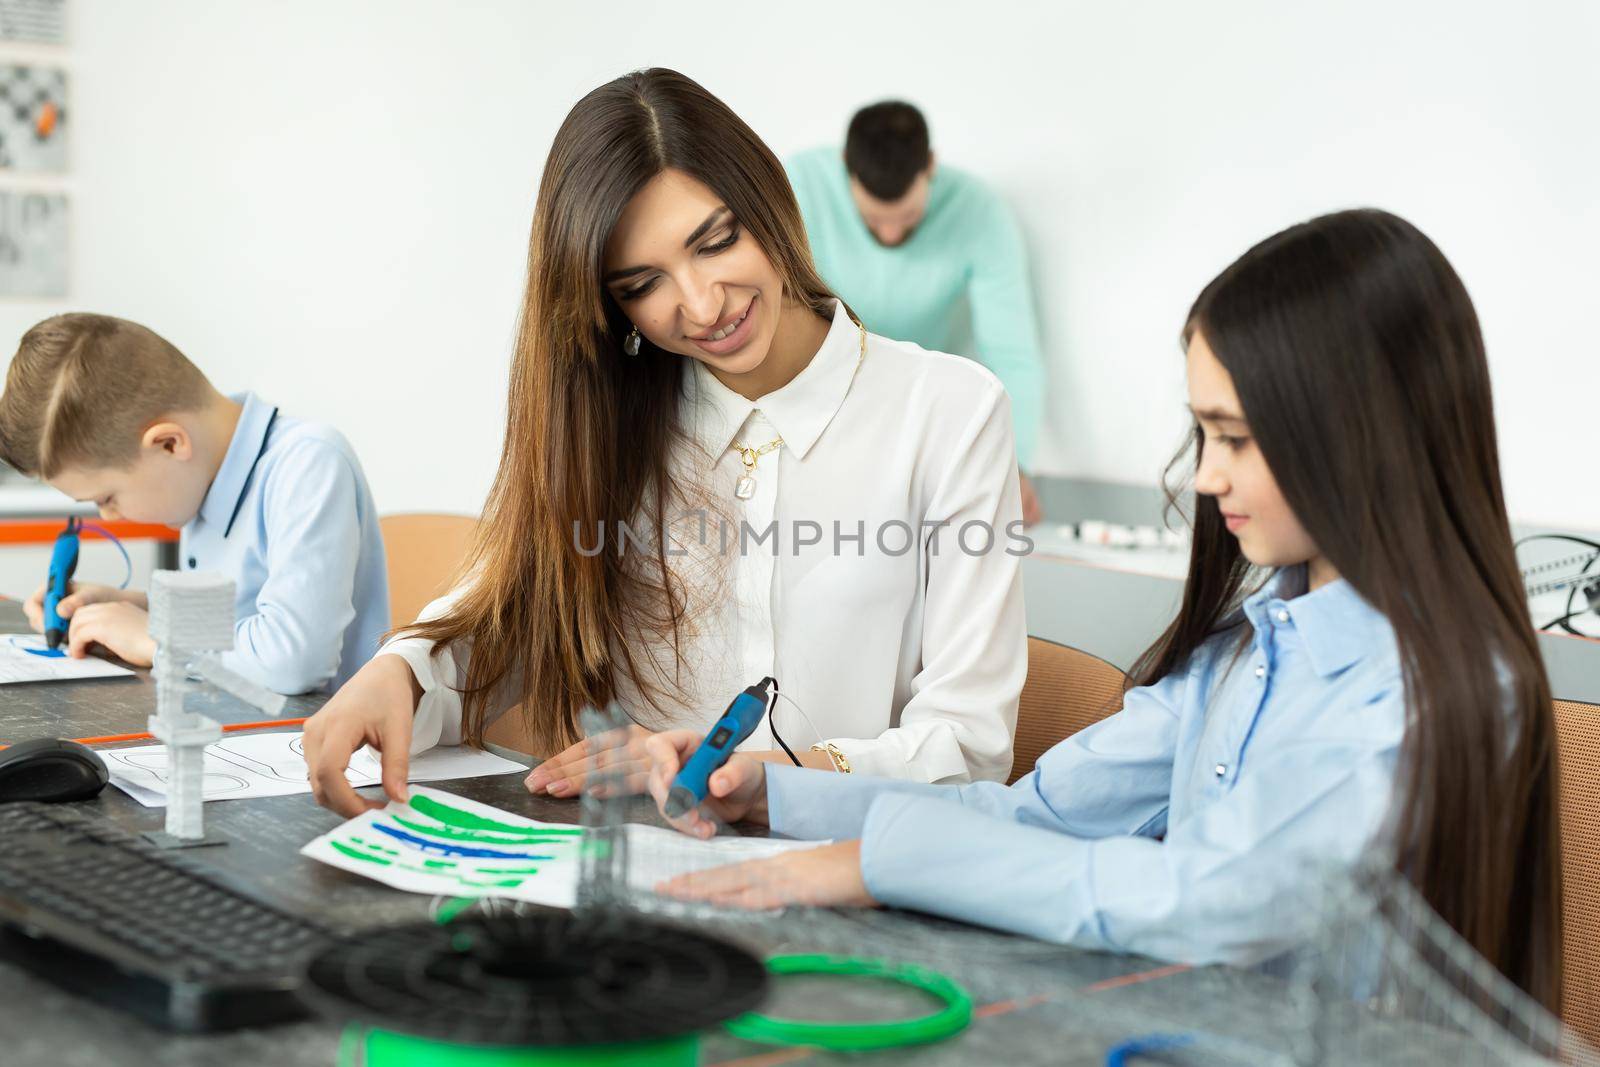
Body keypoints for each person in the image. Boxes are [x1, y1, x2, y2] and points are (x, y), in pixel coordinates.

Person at [644, 209, 1563, 1012]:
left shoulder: (1422, 700)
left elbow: (1200, 896)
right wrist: (782, 793)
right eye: (1203, 432)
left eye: (1236, 438)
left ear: (1363, 438)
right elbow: (1036, 814)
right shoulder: (1243, 652)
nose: (1206, 476)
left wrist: (877, 862)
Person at [301, 69, 1028, 817]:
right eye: (644, 283)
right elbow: (512, 617)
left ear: (769, 202)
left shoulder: (950, 411)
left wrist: (779, 779)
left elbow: (968, 749)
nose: (704, 305)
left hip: (855, 871)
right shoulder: (611, 417)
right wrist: (401, 671)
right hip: (625, 863)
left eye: (716, 242)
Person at [0, 313, 389, 693]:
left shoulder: (308, 463)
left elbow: (293, 660)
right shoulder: (199, 475)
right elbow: (236, 616)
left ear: (169, 444)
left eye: (107, 497)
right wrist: (132, 607)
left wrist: (153, 638)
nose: (108, 515)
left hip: (318, 742)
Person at [788, 101, 1047, 525]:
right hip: (817, 401)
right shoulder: (797, 184)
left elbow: (1012, 350)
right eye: (872, 220)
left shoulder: (980, 212)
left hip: (918, 410)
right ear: (844, 167)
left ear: (931, 166)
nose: (891, 233)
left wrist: (1015, 465)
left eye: (907, 217)